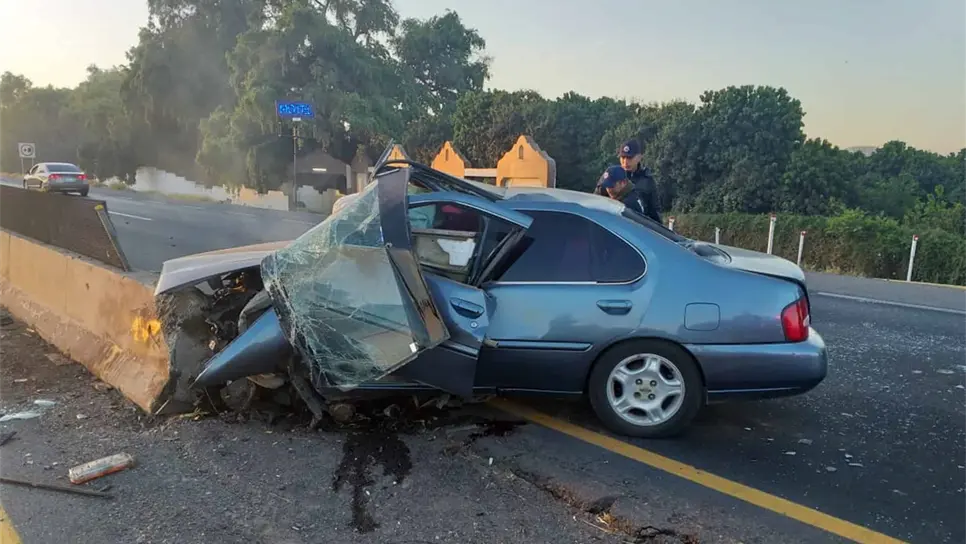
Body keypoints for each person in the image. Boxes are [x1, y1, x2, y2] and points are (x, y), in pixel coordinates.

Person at [595, 139, 662, 223]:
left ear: (639, 157)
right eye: (623, 157)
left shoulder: (647, 180)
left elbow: (655, 214)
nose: (625, 162)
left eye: (630, 157)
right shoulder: (611, 174)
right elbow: (596, 201)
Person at [596, 164, 662, 224]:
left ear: (623, 183)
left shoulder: (629, 204)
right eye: (606, 186)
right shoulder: (614, 192)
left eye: (611, 186)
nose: (608, 189)